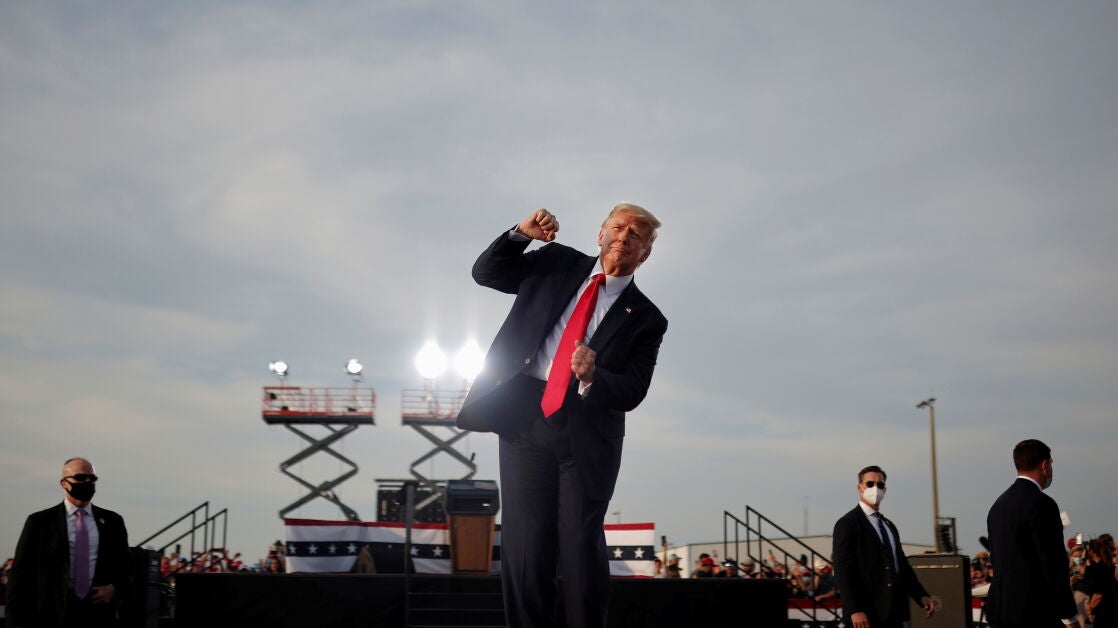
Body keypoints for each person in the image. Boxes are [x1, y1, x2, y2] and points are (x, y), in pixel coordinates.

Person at [457, 204, 668, 628]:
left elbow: (633, 390)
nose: (625, 236)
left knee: (578, 545)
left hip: (587, 432)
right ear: (601, 235)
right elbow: (487, 274)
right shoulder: (555, 262)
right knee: (526, 546)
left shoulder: (647, 318)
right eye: (618, 227)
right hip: (524, 420)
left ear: (644, 254)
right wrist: (520, 234)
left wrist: (594, 375)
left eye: (637, 234)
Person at [6, 457, 132, 628]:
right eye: (80, 478)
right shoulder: (40, 522)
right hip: (53, 612)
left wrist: (115, 588)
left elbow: (126, 566)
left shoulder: (112, 521)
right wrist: (15, 621)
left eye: (92, 478)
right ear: (64, 483)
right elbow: (21, 573)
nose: (87, 482)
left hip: (98, 612)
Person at [985, 439, 1080, 628]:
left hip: (1001, 611)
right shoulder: (1042, 505)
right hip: (1034, 612)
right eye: (1051, 464)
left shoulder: (997, 506)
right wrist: (1069, 615)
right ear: (1044, 465)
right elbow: (1052, 563)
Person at [832, 465, 935, 628]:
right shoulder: (848, 524)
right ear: (860, 488)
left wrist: (920, 595)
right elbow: (843, 570)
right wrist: (855, 609)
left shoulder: (888, 526)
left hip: (893, 612)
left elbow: (901, 565)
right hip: (866, 614)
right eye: (870, 484)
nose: (875, 488)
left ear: (885, 490)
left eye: (880, 485)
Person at [1085, 538, 1117, 627]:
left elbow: (1099, 594)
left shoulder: (1100, 568)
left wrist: (1090, 607)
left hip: (1105, 611)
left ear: (1092, 552)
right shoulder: (1107, 565)